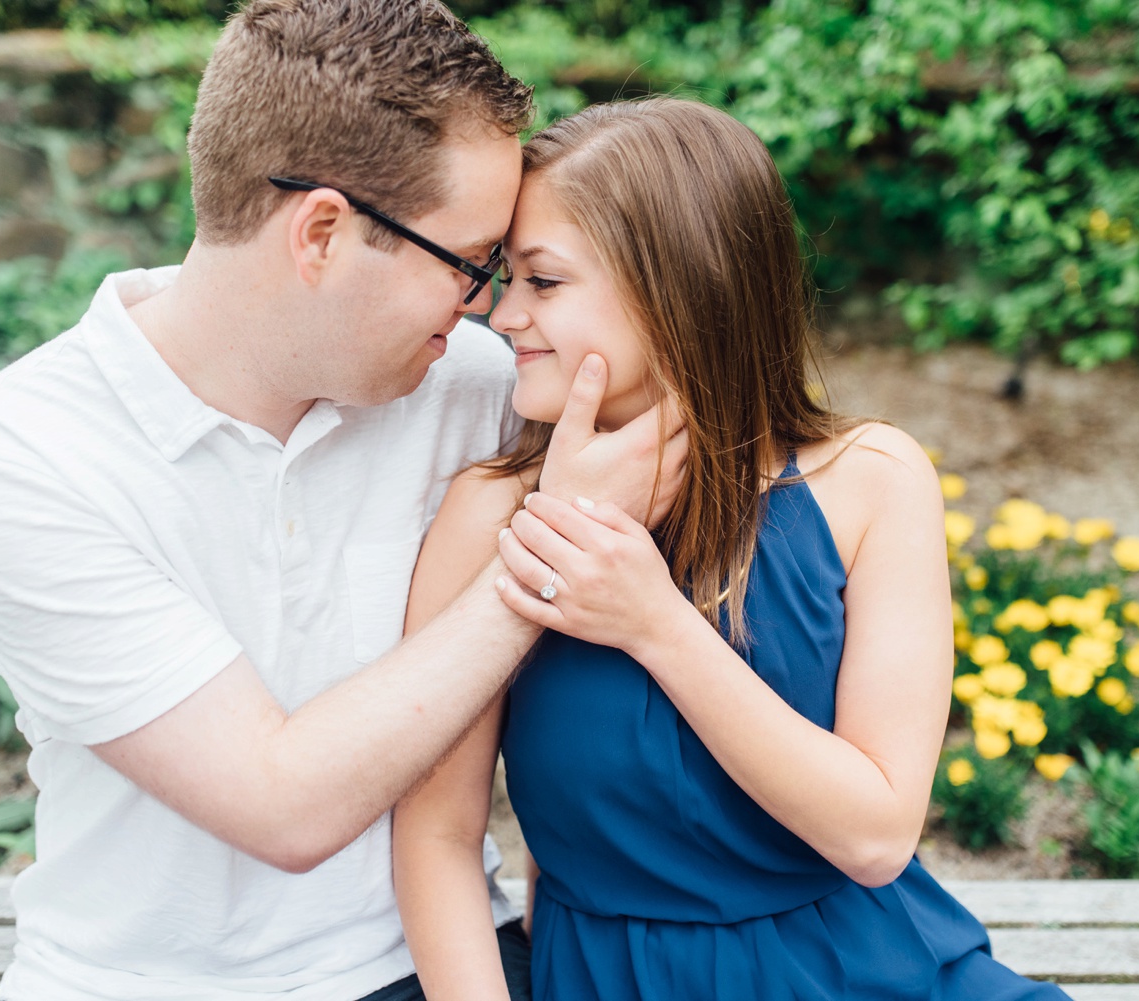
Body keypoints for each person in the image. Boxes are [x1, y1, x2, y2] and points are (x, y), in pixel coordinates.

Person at [0, 3, 683, 999]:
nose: (489, 302)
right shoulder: (13, 456)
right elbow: (281, 806)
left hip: (434, 957)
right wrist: (544, 553)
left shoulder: (481, 385)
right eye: (471, 262)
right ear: (320, 232)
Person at [392, 97, 1071, 1000]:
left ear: (679, 289)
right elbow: (435, 838)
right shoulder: (490, 512)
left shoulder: (871, 481)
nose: (503, 315)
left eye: (543, 282)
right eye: (503, 277)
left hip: (868, 967)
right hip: (615, 976)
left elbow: (874, 836)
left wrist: (653, 622)